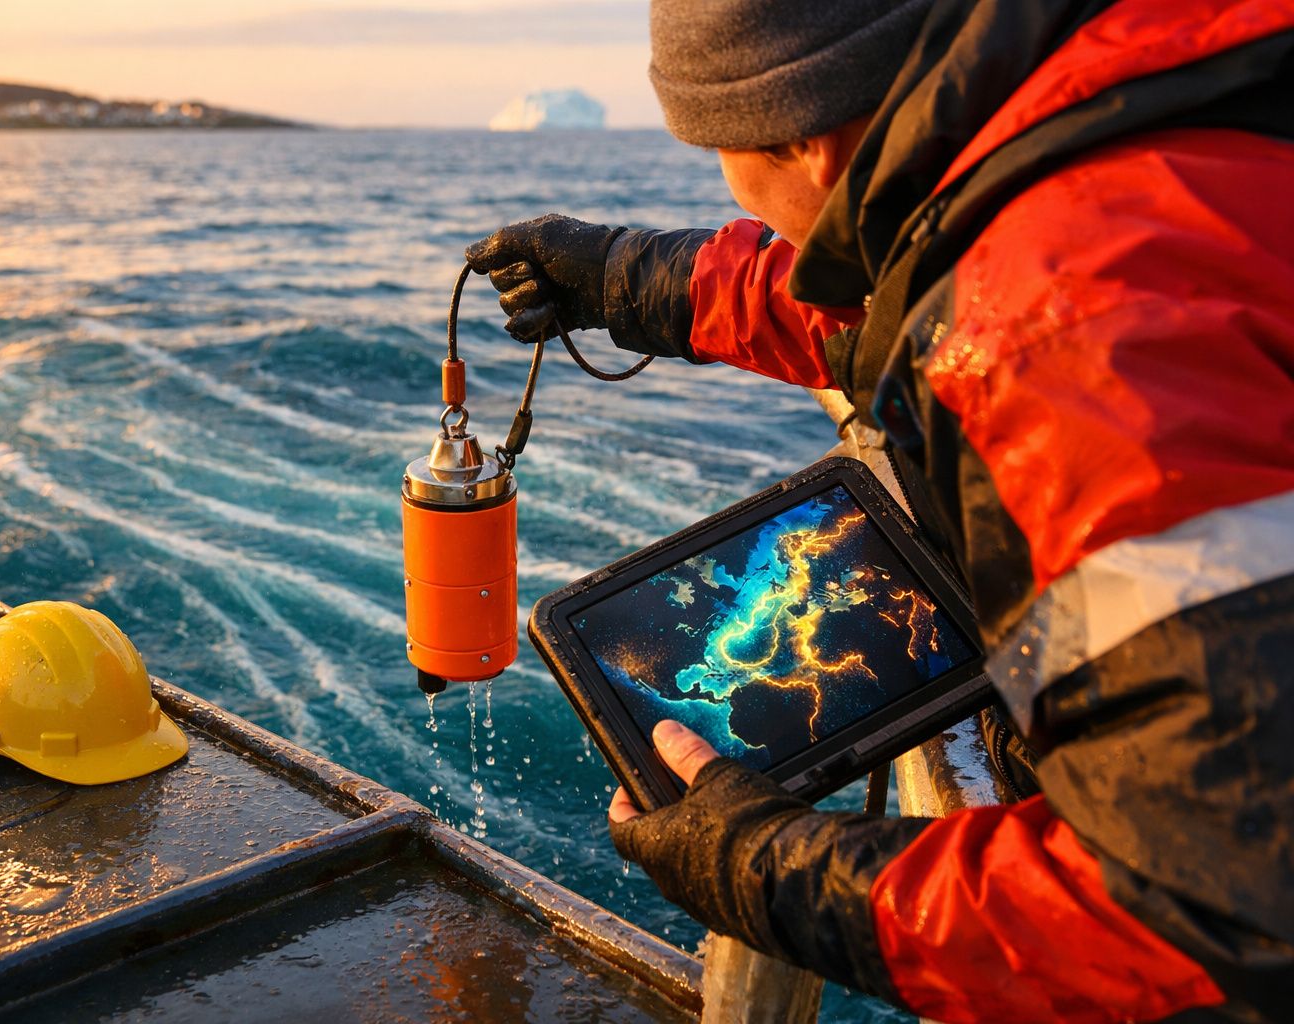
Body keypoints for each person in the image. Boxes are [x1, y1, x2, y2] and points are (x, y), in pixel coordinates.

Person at [465, 0, 1294, 1020]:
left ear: (806, 141)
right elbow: (887, 299)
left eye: (728, 154)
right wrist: (631, 279)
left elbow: (1217, 907)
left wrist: (769, 871)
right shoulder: (1142, 127)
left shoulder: (1062, 335)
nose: (741, 192)